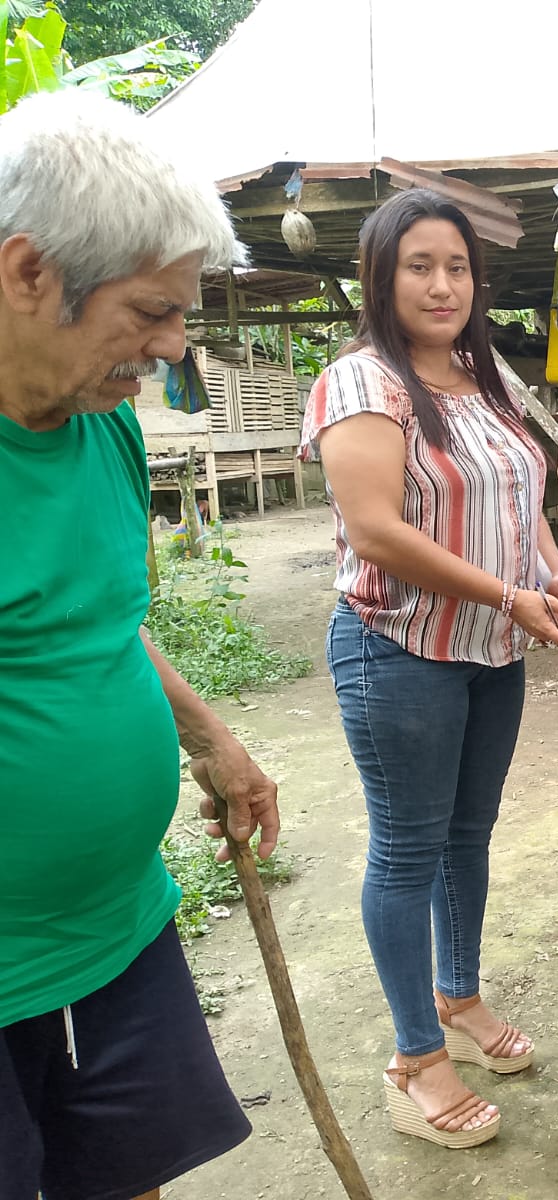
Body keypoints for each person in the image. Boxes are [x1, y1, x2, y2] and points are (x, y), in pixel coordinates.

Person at [0, 92, 281, 1200]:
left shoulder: (103, 420)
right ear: (29, 272)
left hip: (118, 929)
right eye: (151, 312)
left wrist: (209, 737)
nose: (173, 349)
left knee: (130, 1181)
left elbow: (103, 621)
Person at [300, 189, 558, 1146]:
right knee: (407, 849)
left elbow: (522, 503)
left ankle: (457, 998)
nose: (442, 285)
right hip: (399, 650)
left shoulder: (482, 372)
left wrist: (555, 577)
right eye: (419, 266)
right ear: (380, 278)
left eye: (457, 266)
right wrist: (509, 594)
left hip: (492, 653)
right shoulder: (361, 382)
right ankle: (415, 1059)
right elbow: (377, 531)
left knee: (469, 834)